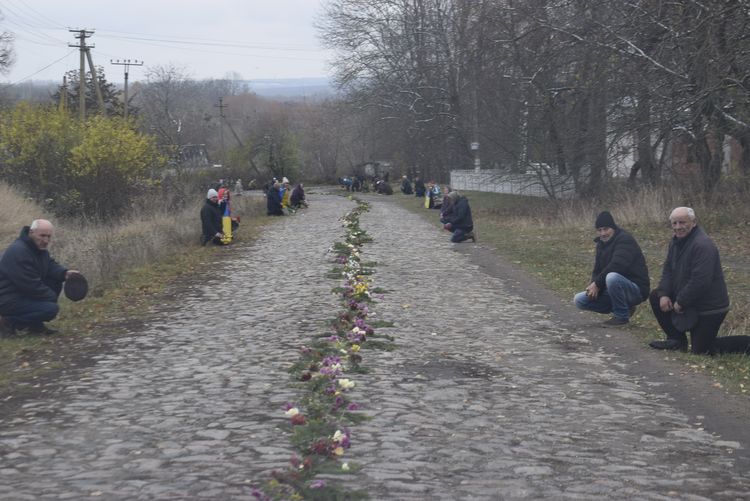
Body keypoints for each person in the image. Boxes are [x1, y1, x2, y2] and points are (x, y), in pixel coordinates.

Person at [649, 207, 750, 354]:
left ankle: (746, 344)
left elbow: (700, 281)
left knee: (702, 351)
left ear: (694, 222)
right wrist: (664, 294)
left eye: (682, 222)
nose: (678, 227)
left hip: (709, 307)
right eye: (674, 223)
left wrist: (681, 301)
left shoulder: (703, 245)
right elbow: (668, 271)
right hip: (691, 301)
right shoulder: (675, 242)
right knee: (656, 296)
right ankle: (676, 340)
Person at [0, 219, 81, 336]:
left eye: (49, 236)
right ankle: (7, 323)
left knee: (55, 280)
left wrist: (65, 273)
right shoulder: (18, 251)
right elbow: (29, 285)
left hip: (20, 295)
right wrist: (51, 297)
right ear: (31, 232)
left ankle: (35, 326)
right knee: (50, 309)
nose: (46, 240)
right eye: (42, 235)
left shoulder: (38, 249)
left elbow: (50, 265)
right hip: (7, 300)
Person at [573, 211, 650, 326]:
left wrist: (598, 284)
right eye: (599, 230)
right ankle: (625, 307)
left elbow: (618, 266)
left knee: (612, 277)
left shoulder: (625, 239)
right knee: (579, 300)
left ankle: (621, 317)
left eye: (606, 229)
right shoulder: (600, 244)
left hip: (635, 289)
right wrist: (593, 285)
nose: (603, 233)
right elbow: (597, 270)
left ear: (613, 227)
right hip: (613, 288)